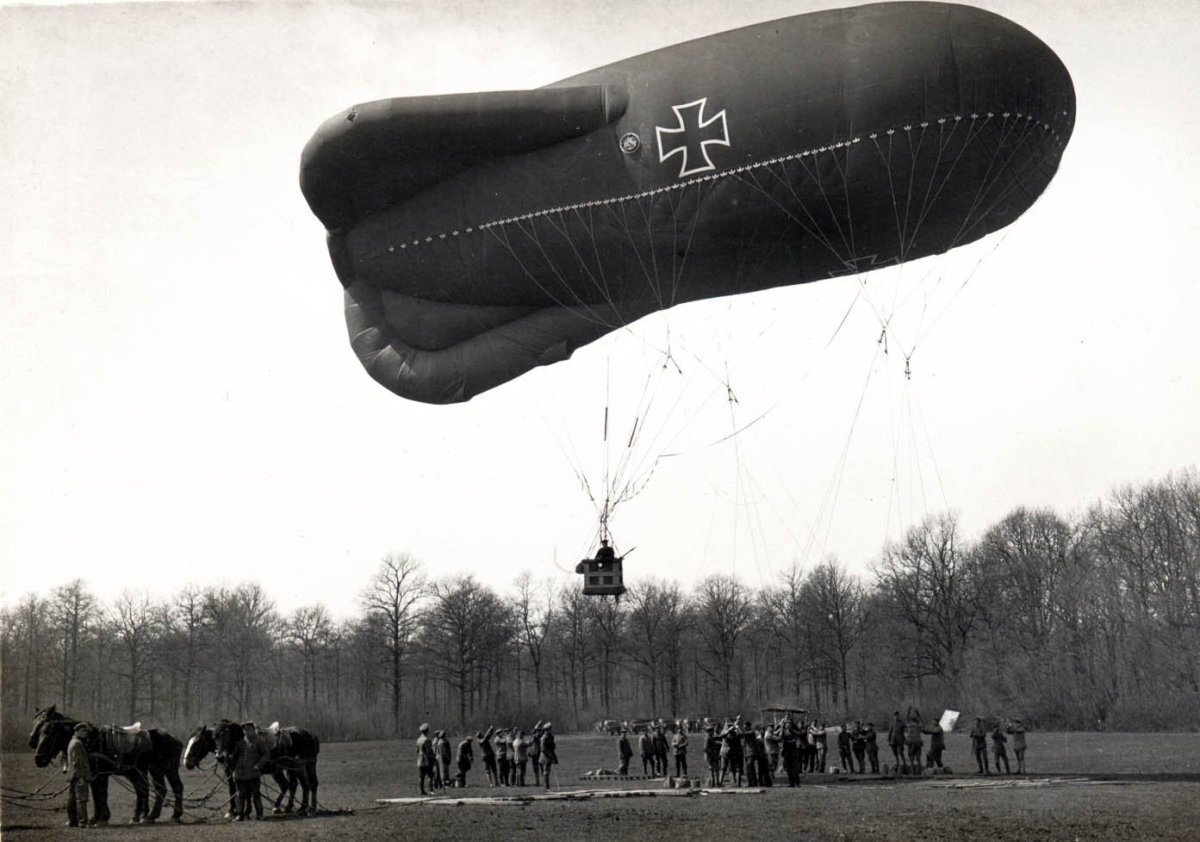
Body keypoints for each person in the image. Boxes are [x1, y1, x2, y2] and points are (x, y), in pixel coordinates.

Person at [234, 722, 267, 820]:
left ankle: (260, 814)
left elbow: (266, 755)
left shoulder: (259, 742)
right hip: (240, 774)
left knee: (256, 794)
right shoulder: (240, 742)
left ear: (253, 730)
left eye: (249, 730)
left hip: (253, 773)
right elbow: (234, 756)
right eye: (245, 730)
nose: (246, 732)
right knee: (240, 795)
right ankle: (240, 814)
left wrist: (258, 765)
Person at [65, 722, 92, 828]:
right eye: (83, 731)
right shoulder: (77, 744)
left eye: (86, 731)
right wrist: (81, 777)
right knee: (82, 799)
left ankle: (73, 821)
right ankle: (83, 822)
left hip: (73, 775)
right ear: (76, 731)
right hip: (79, 776)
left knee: (72, 798)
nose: (85, 733)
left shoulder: (72, 742)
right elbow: (77, 762)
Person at [417, 723, 437, 794]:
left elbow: (417, 750)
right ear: (427, 731)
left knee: (421, 776)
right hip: (427, 760)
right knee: (430, 775)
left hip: (420, 760)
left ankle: (421, 791)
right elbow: (429, 751)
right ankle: (431, 790)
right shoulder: (427, 740)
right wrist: (433, 758)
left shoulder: (418, 739)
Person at [539, 722, 557, 789]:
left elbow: (552, 747)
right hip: (545, 757)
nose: (551, 730)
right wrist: (550, 756)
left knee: (547, 771)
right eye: (550, 729)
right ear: (547, 730)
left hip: (549, 756)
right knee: (545, 772)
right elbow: (543, 749)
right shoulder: (543, 737)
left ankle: (547, 786)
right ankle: (546, 786)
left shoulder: (550, 737)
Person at [528, 722, 543, 786]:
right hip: (535, 754)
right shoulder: (535, 737)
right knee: (536, 769)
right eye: (536, 732)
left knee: (541, 768)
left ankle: (542, 781)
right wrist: (537, 725)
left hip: (538, 754)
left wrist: (537, 726)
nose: (537, 733)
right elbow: (533, 731)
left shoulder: (538, 737)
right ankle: (537, 782)